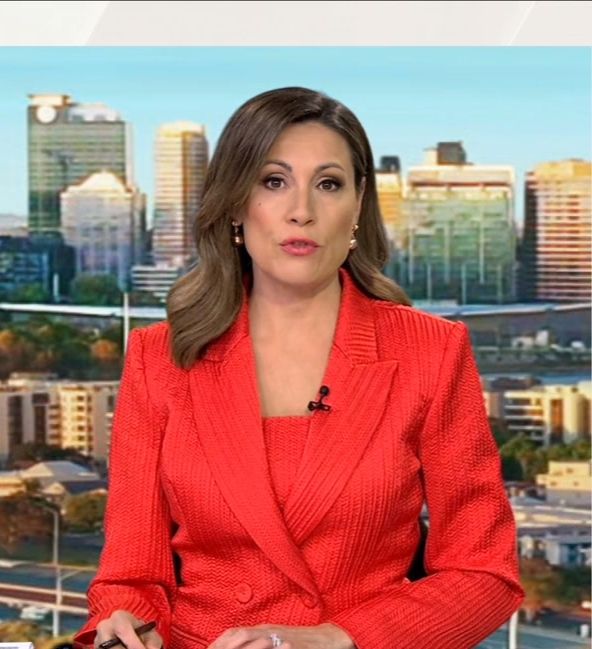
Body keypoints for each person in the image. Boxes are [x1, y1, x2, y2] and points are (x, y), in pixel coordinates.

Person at [73, 86, 524, 649]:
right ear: (236, 205)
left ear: (358, 204)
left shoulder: (431, 351)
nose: (302, 210)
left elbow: (484, 573)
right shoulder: (159, 357)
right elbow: (130, 578)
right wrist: (126, 622)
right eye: (273, 181)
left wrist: (338, 638)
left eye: (328, 184)